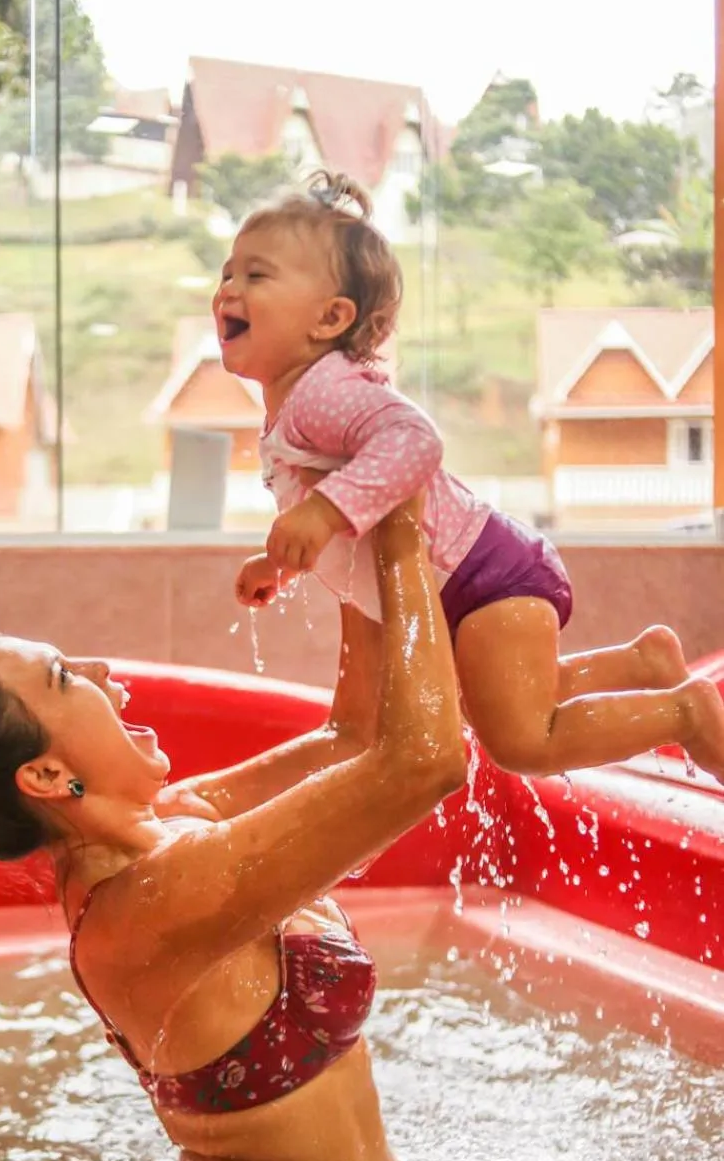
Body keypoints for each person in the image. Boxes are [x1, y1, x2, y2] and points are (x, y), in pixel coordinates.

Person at [0, 497, 466, 1161]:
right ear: (45, 773)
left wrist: (351, 526)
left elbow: (357, 736)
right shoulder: (146, 909)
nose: (105, 672)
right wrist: (402, 526)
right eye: (67, 677)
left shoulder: (176, 821)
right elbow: (425, 761)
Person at [226, 171, 724, 784]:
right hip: (466, 576)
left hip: (482, 574)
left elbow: (414, 442)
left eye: (256, 275)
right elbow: (340, 507)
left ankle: (686, 712)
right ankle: (642, 663)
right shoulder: (296, 405)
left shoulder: (322, 392)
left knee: (522, 741)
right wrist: (282, 561)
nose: (228, 289)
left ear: (330, 318)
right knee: (496, 701)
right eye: (228, 271)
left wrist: (322, 513)